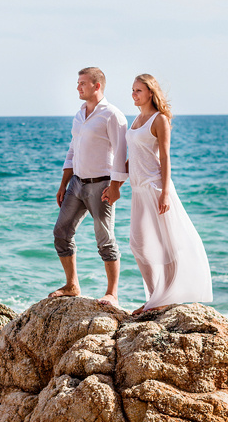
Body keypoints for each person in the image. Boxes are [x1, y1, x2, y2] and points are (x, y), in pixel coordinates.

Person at [127, 74, 212, 314]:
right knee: (138, 244)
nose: (134, 94)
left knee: (168, 245)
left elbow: (164, 157)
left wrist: (165, 192)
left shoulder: (159, 119)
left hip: (155, 188)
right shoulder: (136, 119)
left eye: (138, 91)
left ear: (151, 93)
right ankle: (157, 296)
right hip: (138, 190)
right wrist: (115, 183)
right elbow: (133, 156)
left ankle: (164, 298)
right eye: (132, 90)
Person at [50, 67, 128, 306]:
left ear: (97, 86)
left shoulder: (112, 115)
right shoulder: (79, 114)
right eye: (77, 83)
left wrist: (116, 186)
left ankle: (112, 293)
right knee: (61, 233)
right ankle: (72, 285)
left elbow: (122, 153)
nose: (77, 87)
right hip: (76, 183)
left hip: (101, 184)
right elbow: (72, 150)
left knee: (105, 240)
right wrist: (64, 184)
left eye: (82, 83)